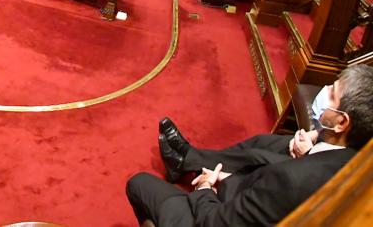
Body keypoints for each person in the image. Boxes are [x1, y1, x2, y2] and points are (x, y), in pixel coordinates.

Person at [126, 64, 373, 227]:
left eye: (332, 92)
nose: (324, 88)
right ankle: (186, 160)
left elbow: (215, 222)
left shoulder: (291, 180)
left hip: (219, 215)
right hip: (259, 194)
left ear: (342, 122)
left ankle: (190, 166)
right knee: (263, 145)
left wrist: (203, 190)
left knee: (138, 183)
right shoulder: (358, 161)